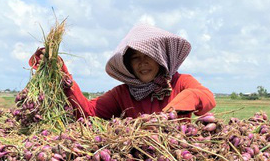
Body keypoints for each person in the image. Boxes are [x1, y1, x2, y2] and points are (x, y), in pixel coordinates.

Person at [30, 24, 215, 120]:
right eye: (135, 58)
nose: (142, 63)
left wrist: (173, 111)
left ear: (160, 58)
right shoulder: (122, 94)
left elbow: (206, 97)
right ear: (128, 64)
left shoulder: (180, 82)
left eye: (148, 56)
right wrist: (61, 73)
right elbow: (87, 112)